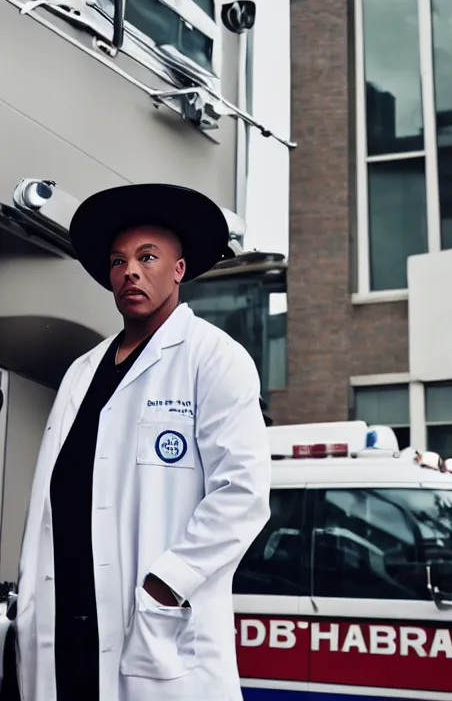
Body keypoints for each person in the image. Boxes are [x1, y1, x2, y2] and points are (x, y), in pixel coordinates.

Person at [15, 183, 271, 701]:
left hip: (152, 626)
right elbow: (52, 498)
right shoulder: (80, 373)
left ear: (178, 269)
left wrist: (166, 583)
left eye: (147, 257)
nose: (130, 270)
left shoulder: (213, 358)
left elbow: (242, 493)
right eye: (118, 260)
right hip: (66, 624)